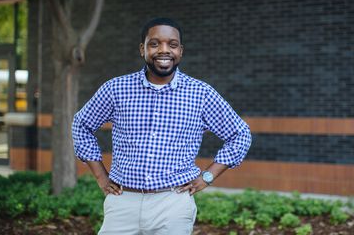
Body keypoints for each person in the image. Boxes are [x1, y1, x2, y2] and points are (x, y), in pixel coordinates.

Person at [72, 17, 252, 235]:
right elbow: (81, 124)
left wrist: (208, 176)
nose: (164, 50)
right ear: (143, 49)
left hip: (173, 204)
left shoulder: (201, 94)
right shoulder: (116, 89)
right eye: (154, 43)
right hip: (122, 201)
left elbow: (239, 134)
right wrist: (101, 176)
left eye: (172, 44)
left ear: (180, 51)